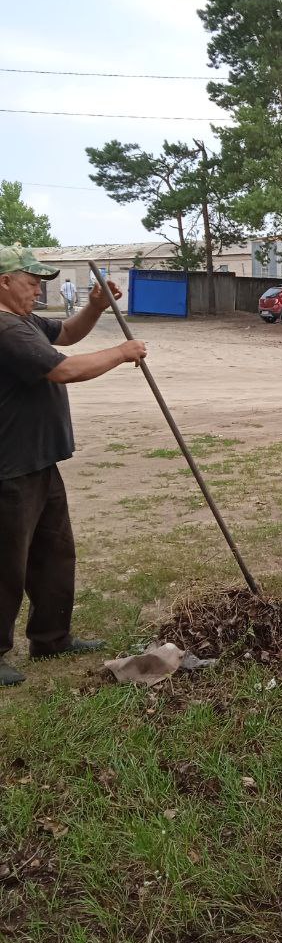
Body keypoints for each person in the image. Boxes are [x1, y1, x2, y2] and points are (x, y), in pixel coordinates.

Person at [0, 244, 147, 687]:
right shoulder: (5, 329)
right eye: (31, 283)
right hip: (9, 468)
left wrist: (95, 306)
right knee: (6, 563)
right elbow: (64, 368)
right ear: (4, 281)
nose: (37, 291)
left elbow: (65, 334)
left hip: (40, 460)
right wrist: (121, 353)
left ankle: (51, 637)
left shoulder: (23, 321)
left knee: (54, 554)